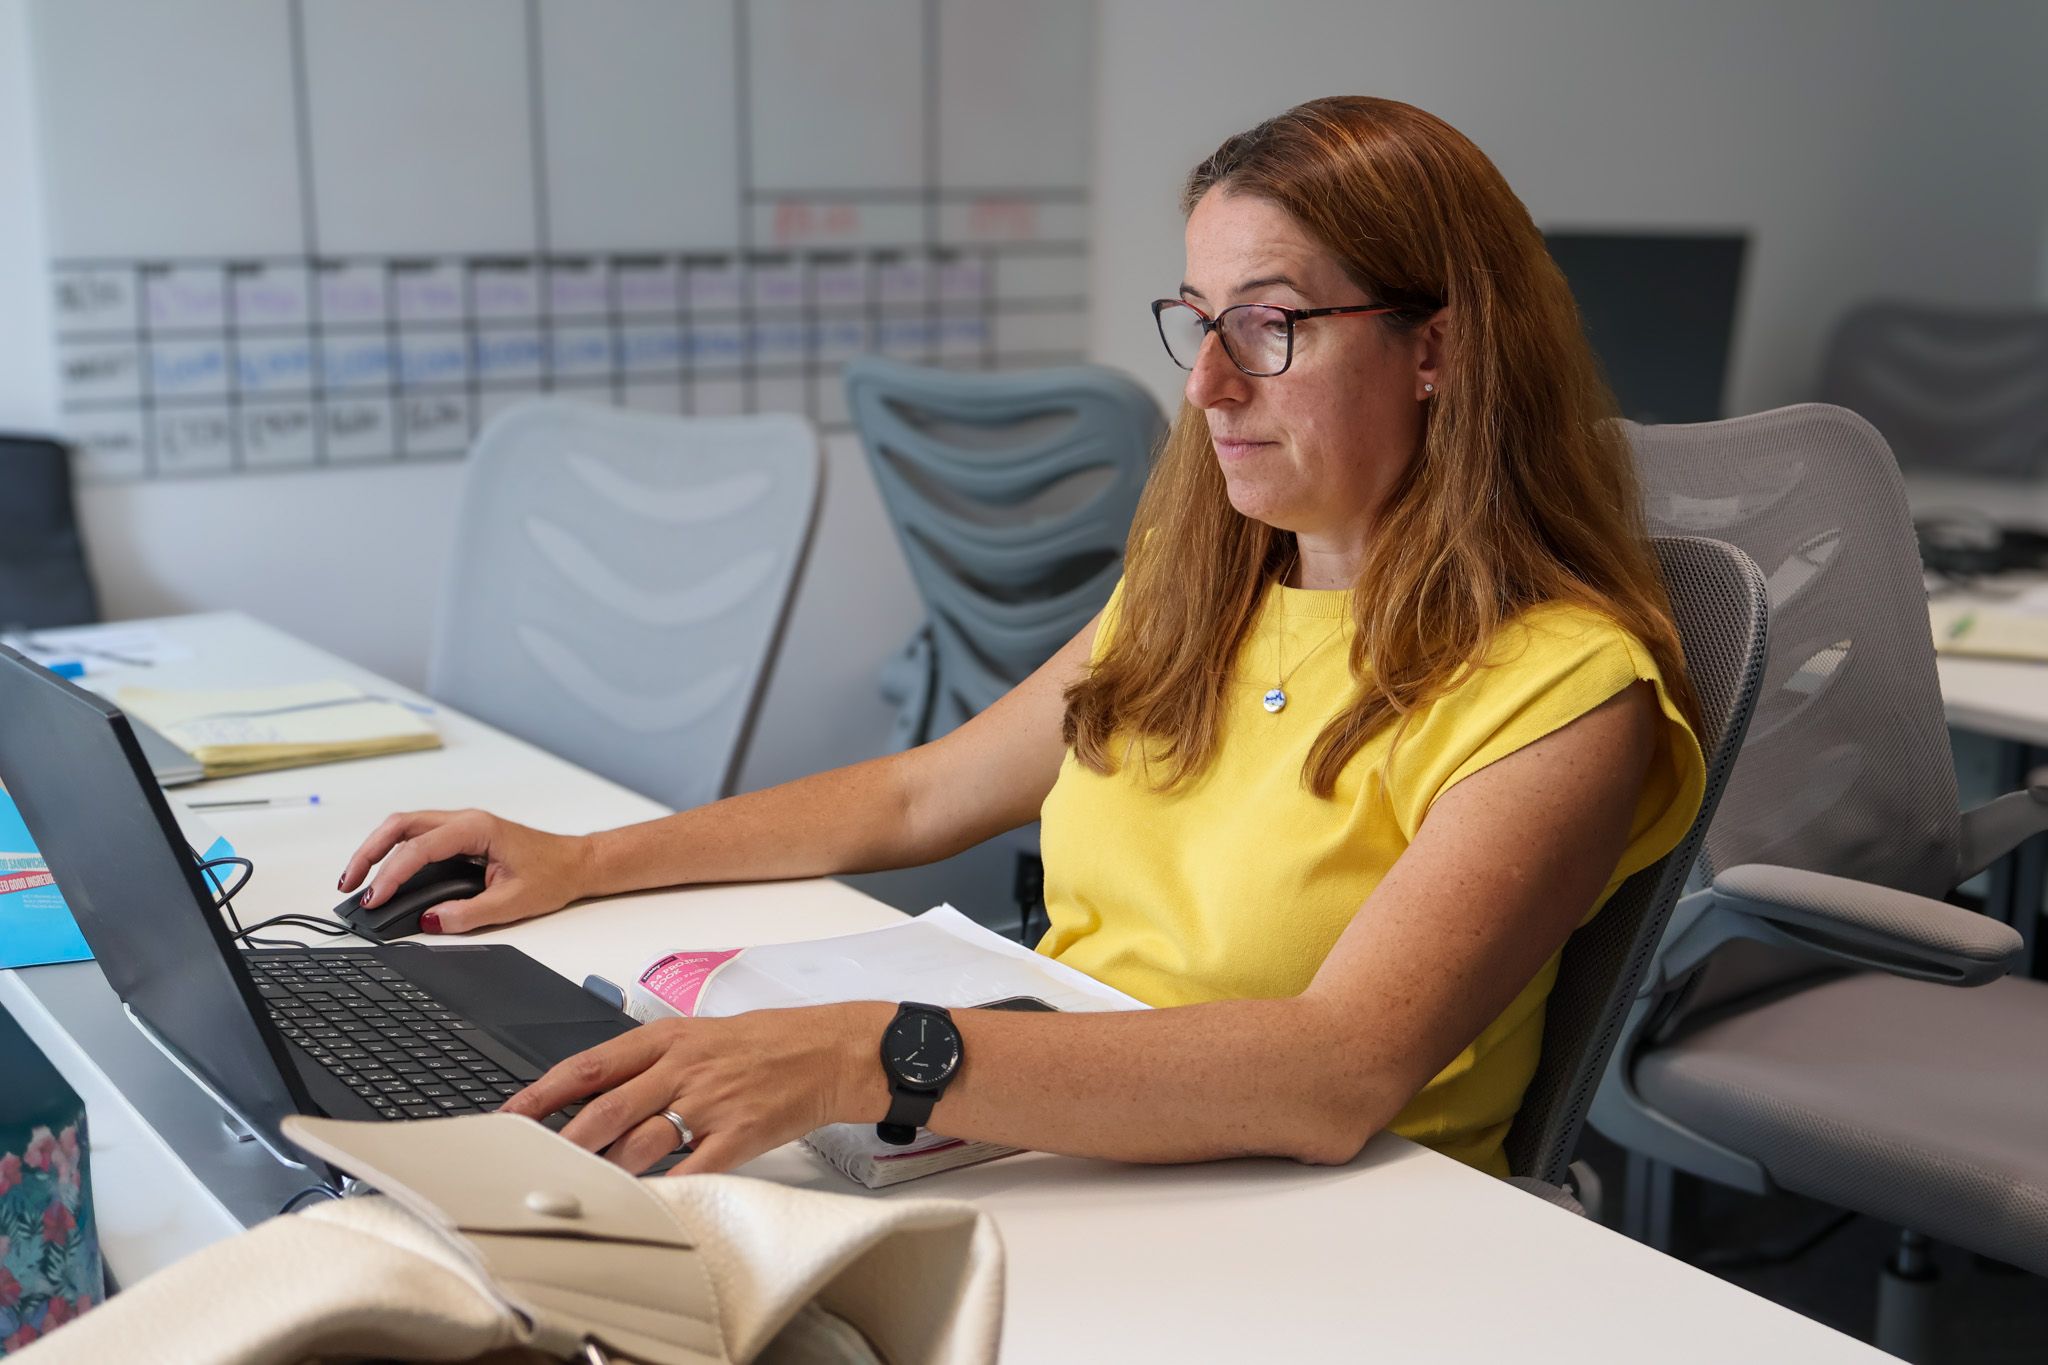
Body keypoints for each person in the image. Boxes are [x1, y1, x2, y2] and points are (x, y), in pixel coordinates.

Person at [339, 96, 1705, 1181]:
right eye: (1198, 323)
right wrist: (583, 860)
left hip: (1316, 1220)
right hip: (1059, 1137)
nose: (1207, 385)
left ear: (1439, 350)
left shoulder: (1564, 689)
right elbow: (920, 793)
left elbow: (1334, 1072)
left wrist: (870, 1056)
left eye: (1269, 325)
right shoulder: (1201, 587)